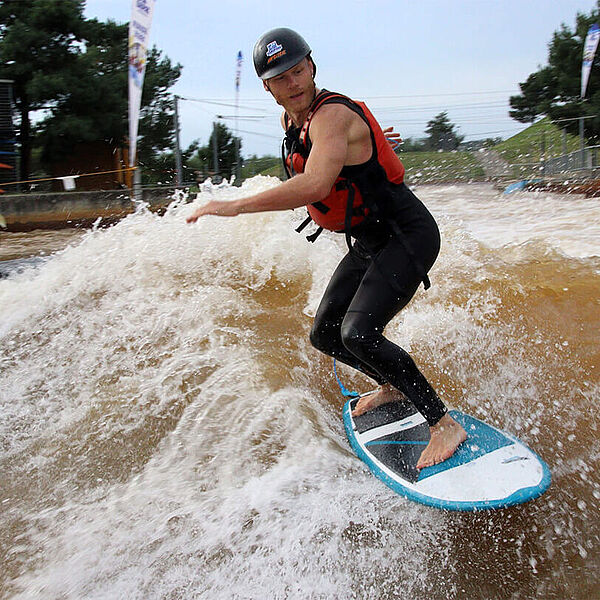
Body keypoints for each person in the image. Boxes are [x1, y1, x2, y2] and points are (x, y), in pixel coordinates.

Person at [187, 27, 467, 469]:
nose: (293, 82)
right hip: (370, 239)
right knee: (325, 333)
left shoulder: (331, 115)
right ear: (268, 87)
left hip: (406, 233)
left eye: (298, 70)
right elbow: (329, 160)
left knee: (358, 333)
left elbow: (315, 184)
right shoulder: (291, 122)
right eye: (281, 78)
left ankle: (442, 423)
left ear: (312, 66)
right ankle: (391, 385)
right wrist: (368, 143)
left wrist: (236, 206)